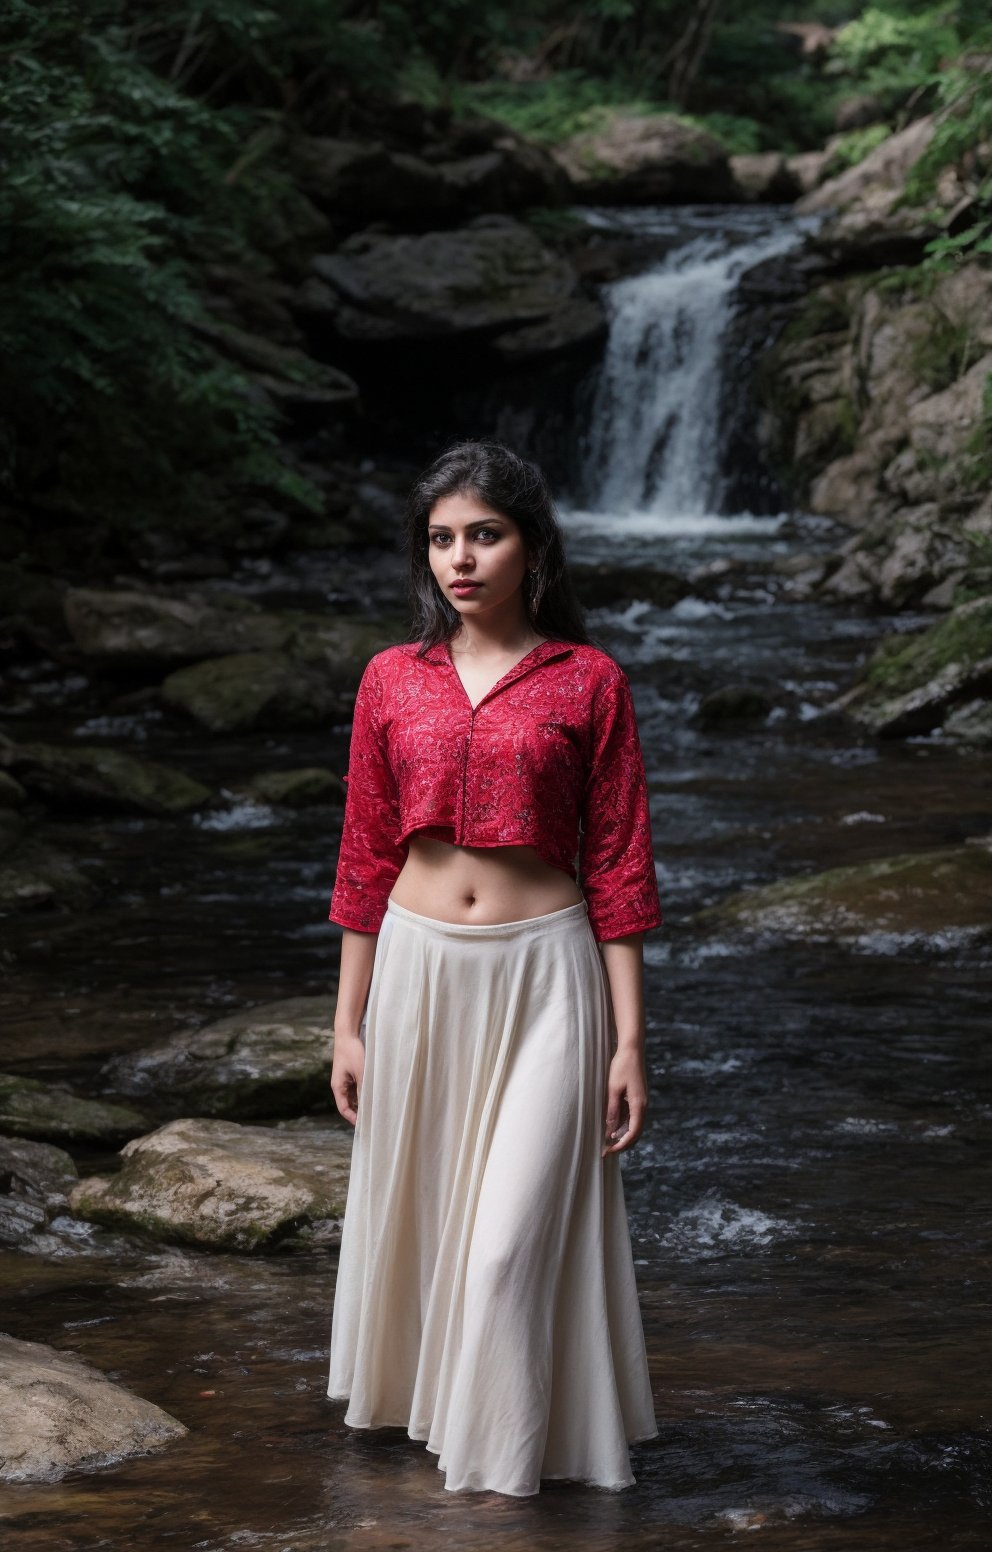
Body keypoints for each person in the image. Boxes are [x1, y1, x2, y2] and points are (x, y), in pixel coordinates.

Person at [326, 438, 663, 1497]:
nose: (459, 559)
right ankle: (459, 1482)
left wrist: (630, 1039)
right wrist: (348, 1019)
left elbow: (617, 862)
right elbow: (363, 850)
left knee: (506, 1250)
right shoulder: (390, 679)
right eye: (440, 539)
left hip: (546, 982)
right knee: (434, 1233)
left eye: (484, 534)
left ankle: (500, 1489)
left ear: (531, 546)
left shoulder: (588, 681)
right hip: (419, 976)